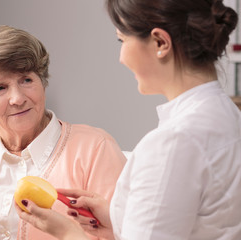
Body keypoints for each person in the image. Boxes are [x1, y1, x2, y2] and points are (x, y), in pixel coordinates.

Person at [16, 0, 241, 239]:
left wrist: (69, 233)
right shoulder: (228, 115)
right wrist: (120, 221)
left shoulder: (172, 144)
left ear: (160, 42)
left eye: (122, 40)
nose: (121, 58)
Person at [0, 25, 127, 240]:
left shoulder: (95, 149)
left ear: (42, 83)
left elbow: (130, 232)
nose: (17, 98)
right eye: (0, 88)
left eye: (26, 80)